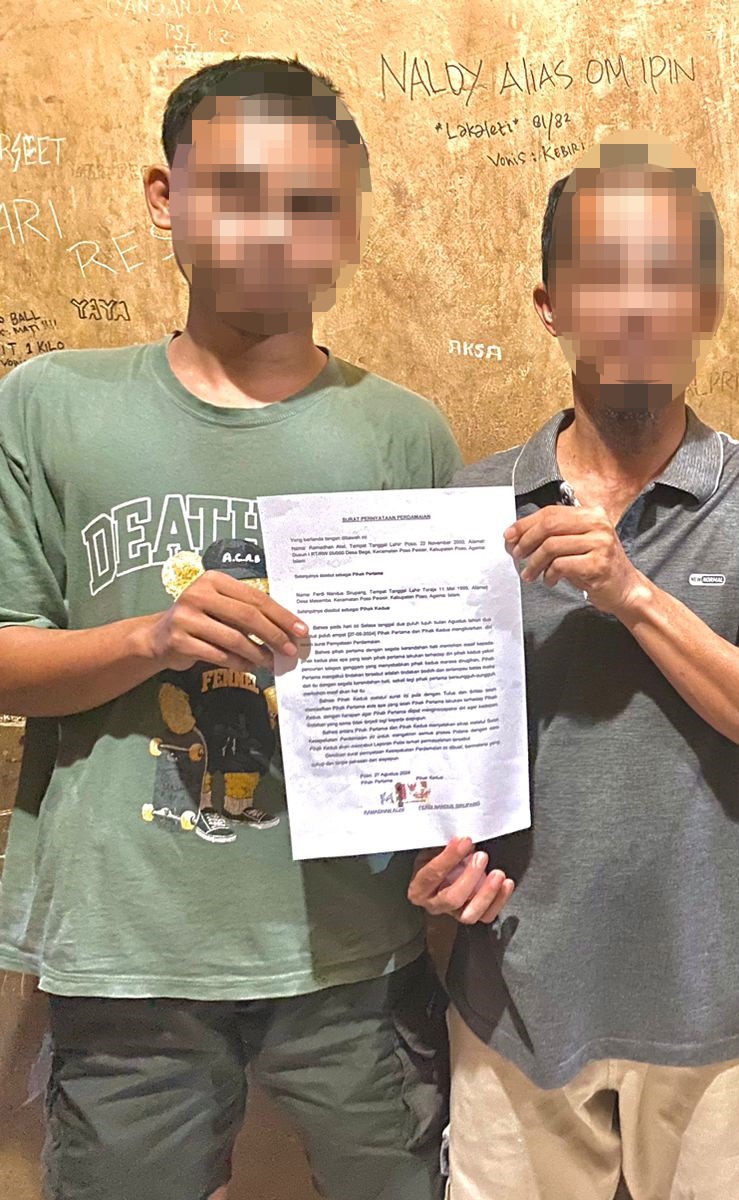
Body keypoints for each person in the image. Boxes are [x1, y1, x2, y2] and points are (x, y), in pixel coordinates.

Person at [0, 56, 460, 1199]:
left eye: (308, 203)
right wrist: (151, 640)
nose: (269, 229)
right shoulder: (50, 405)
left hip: (353, 946)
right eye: (236, 190)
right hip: (125, 948)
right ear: (166, 196)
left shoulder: (402, 433)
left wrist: (459, 833)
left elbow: (434, 700)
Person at [406, 135, 739, 1200]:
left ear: (704, 305)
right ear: (550, 306)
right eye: (602, 275)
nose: (634, 305)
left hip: (710, 1000)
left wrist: (633, 595)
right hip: (515, 993)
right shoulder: (469, 508)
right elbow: (426, 756)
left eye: (665, 275)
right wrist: (421, 867)